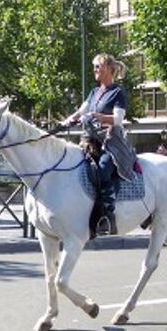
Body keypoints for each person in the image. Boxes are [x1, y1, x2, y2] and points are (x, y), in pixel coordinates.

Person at [62, 53, 128, 235]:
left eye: (98, 66)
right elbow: (81, 111)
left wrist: (100, 116)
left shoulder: (117, 92)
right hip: (90, 141)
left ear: (108, 68)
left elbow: (118, 120)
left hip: (110, 142)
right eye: (94, 67)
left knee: (104, 168)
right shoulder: (94, 92)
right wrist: (69, 120)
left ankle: (107, 214)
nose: (95, 70)